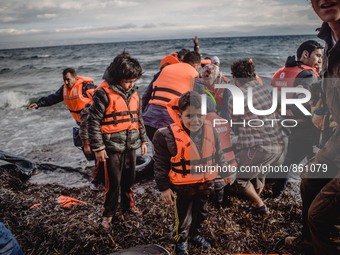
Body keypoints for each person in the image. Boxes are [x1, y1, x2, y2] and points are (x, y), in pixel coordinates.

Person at [285, 1, 340, 254]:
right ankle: (308, 242)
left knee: (319, 216)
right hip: (336, 136)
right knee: (308, 179)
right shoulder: (329, 39)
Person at [153, 91, 235, 255]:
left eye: (200, 115)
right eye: (190, 116)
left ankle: (195, 234)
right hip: (182, 186)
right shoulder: (165, 136)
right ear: (180, 115)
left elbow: (219, 154)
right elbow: (160, 165)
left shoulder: (211, 130)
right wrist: (163, 188)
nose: (196, 120)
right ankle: (180, 241)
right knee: (182, 217)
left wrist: (226, 172)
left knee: (202, 212)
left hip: (205, 183)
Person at [87, 51, 148, 229]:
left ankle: (128, 205)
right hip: (111, 146)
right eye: (127, 81)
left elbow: (139, 119)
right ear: (117, 76)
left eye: (134, 81)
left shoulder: (135, 94)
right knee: (113, 182)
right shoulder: (103, 94)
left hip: (131, 143)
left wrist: (143, 140)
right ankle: (108, 213)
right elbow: (93, 122)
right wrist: (98, 147)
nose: (131, 85)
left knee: (130, 178)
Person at [228, 59, 284, 213]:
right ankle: (255, 197)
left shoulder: (237, 97)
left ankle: (259, 205)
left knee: (237, 178)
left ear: (235, 78)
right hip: (278, 146)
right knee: (258, 171)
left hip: (261, 147)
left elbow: (235, 125)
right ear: (254, 74)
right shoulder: (265, 90)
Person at [271, 40, 323, 197]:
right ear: (306, 54)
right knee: (317, 162)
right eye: (318, 56)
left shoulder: (283, 71)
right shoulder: (307, 74)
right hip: (307, 127)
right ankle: (315, 195)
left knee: (290, 160)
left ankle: (277, 192)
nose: (321, 60)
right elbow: (308, 102)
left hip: (287, 123)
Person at [142, 51, 201, 141]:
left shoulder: (165, 69)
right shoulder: (194, 75)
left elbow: (146, 95)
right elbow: (196, 103)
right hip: (169, 121)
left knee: (159, 150)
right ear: (196, 66)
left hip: (149, 118)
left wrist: (143, 115)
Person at [27, 68, 96, 125]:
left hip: (92, 121)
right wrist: (38, 103)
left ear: (75, 78)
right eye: (64, 80)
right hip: (80, 122)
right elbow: (54, 98)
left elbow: (103, 98)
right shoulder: (64, 88)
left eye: (68, 79)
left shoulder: (86, 87)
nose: (66, 82)